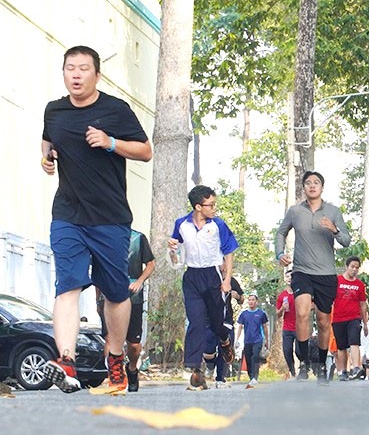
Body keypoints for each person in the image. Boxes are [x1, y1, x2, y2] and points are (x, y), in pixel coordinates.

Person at [41, 46, 153, 394]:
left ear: (97, 75)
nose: (76, 74)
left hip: (110, 218)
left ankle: (115, 358)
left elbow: (145, 151)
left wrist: (110, 142)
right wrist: (46, 159)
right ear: (63, 73)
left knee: (116, 293)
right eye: (70, 68)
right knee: (68, 285)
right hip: (68, 215)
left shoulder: (115, 110)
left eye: (83, 69)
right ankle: (66, 359)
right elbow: (48, 142)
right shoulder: (54, 110)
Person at [276, 171, 351, 383]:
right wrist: (280, 253)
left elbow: (346, 240)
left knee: (324, 321)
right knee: (301, 313)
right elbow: (281, 233)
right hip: (301, 271)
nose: (312, 186)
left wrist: (334, 229)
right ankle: (304, 364)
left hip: (326, 274)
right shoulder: (295, 211)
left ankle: (319, 364)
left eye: (316, 183)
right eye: (308, 183)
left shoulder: (333, 211)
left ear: (322, 187)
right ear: (304, 188)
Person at [169, 185, 239, 389]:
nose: (214, 208)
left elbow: (229, 252)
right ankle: (195, 370)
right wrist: (172, 249)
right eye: (211, 205)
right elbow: (177, 253)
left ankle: (225, 340)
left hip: (213, 275)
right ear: (199, 206)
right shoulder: (181, 224)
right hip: (192, 276)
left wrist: (227, 280)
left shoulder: (218, 225)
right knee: (196, 322)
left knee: (217, 323)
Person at [95, 229, 155, 392]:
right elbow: (97, 269)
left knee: (134, 345)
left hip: (132, 294)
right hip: (108, 294)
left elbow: (150, 263)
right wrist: (97, 298)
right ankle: (114, 376)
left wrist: (140, 281)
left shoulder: (137, 238)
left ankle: (132, 368)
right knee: (110, 339)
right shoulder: (101, 237)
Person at [332, 256, 368, 382]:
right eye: (352, 267)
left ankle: (357, 367)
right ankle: (343, 371)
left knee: (354, 342)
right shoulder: (337, 281)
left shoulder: (360, 285)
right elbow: (329, 300)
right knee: (342, 347)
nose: (354, 270)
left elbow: (363, 304)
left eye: (357, 268)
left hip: (354, 318)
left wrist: (365, 323)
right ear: (347, 266)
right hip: (338, 319)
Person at [205, 275, 244, 388]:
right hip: (209, 320)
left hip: (226, 321)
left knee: (225, 349)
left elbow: (242, 300)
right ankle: (210, 365)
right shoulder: (208, 278)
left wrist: (237, 297)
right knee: (208, 350)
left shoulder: (231, 280)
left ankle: (220, 379)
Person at [235, 294, 269, 387]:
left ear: (256, 302)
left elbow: (265, 327)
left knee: (255, 357)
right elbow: (240, 327)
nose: (251, 302)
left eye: (253, 300)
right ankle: (251, 377)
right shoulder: (244, 314)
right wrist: (237, 339)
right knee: (249, 359)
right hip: (247, 340)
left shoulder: (261, 314)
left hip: (258, 339)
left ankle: (255, 377)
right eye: (249, 300)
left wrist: (266, 340)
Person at [276, 270, 299, 377]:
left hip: (300, 327)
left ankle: (304, 367)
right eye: (287, 276)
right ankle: (292, 372)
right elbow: (278, 314)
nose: (289, 278)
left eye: (291, 276)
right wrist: (282, 309)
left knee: (299, 351)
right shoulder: (282, 296)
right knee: (287, 350)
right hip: (287, 327)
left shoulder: (300, 293)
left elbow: (311, 306)